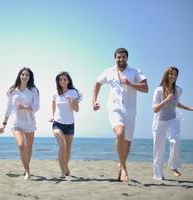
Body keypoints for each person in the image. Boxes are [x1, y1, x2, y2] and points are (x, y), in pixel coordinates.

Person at [92, 48, 149, 182]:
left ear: (127, 58)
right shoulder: (108, 71)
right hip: (114, 108)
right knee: (119, 133)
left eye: (123, 57)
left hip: (130, 111)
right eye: (119, 57)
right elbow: (97, 83)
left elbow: (145, 88)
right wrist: (94, 101)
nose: (121, 59)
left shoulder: (135, 71)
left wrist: (131, 83)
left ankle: (120, 165)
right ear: (115, 58)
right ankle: (124, 169)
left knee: (127, 144)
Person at [152, 66, 193, 180]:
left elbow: (176, 104)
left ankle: (173, 166)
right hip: (159, 121)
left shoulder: (178, 90)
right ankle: (158, 174)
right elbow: (155, 109)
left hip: (173, 119)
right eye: (171, 74)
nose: (173, 76)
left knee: (175, 141)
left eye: (175, 75)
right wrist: (166, 99)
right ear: (166, 75)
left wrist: (190, 108)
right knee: (158, 148)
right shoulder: (159, 90)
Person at [0, 67, 40, 180]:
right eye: (23, 74)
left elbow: (37, 107)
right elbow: (8, 107)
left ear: (29, 77)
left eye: (27, 75)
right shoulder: (12, 91)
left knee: (28, 148)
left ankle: (25, 167)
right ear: (19, 76)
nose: (24, 76)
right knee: (21, 145)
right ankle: (27, 171)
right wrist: (4, 123)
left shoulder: (33, 90)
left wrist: (26, 107)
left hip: (30, 122)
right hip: (16, 122)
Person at [49, 71, 81, 178]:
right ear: (58, 81)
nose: (62, 81)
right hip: (58, 124)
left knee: (68, 149)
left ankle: (66, 167)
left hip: (70, 125)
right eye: (60, 79)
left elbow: (76, 109)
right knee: (62, 146)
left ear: (68, 81)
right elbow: (53, 107)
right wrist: (52, 116)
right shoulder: (55, 94)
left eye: (64, 79)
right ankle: (63, 172)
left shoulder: (73, 93)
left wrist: (71, 103)